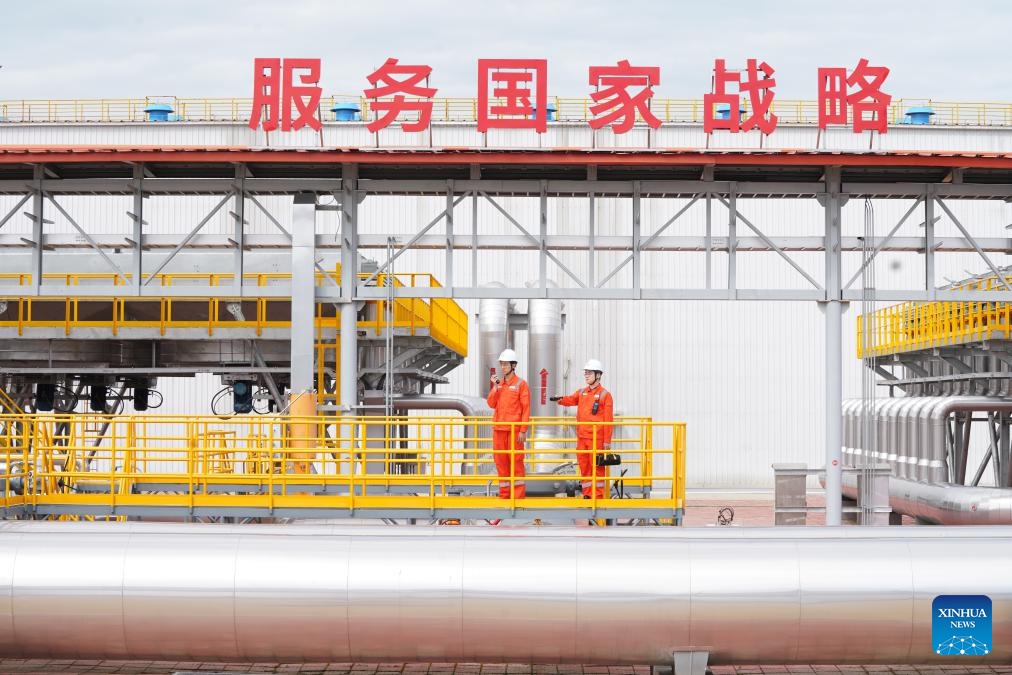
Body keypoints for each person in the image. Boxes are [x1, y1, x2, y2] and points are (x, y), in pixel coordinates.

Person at [549, 359, 614, 499]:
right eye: (585, 373)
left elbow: (608, 420)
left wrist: (607, 441)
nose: (586, 375)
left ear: (598, 375)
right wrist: (559, 400)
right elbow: (571, 399)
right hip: (582, 438)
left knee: (597, 469)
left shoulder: (605, 395)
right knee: (584, 468)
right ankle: (587, 495)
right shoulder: (582, 392)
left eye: (589, 373)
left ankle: (598, 498)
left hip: (597, 440)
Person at [486, 348, 530, 499]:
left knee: (516, 463)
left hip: (514, 431)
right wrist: (495, 388)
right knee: (501, 463)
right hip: (499, 430)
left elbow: (526, 408)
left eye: (505, 364)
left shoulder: (521, 384)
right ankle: (505, 495)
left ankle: (517, 497)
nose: (503, 367)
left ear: (513, 365)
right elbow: (491, 404)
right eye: (501, 364)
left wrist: (523, 430)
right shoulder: (500, 385)